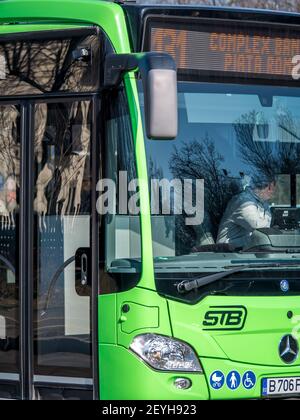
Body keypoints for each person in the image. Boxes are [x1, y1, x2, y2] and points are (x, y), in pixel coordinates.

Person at [217, 175, 276, 249]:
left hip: (248, 250)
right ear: (269, 187)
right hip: (228, 253)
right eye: (274, 190)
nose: (274, 195)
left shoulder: (263, 202)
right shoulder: (243, 201)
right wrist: (275, 221)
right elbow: (259, 228)